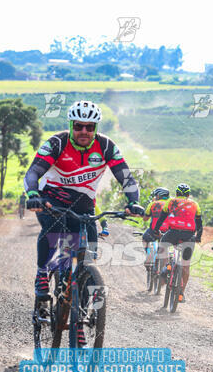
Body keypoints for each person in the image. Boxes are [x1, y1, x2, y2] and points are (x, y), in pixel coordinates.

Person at [24, 100, 144, 312]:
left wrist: (133, 201)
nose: (84, 131)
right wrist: (33, 194)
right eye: (78, 126)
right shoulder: (57, 143)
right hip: (52, 200)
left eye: (90, 127)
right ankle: (42, 273)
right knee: (53, 231)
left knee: (89, 255)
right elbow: (33, 172)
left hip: (84, 206)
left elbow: (126, 178)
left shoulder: (106, 146)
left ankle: (82, 318)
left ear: (95, 128)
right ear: (71, 125)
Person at [152, 183, 202, 300]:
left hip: (173, 232)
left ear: (176, 194)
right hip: (189, 236)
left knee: (162, 247)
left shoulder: (170, 202)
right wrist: (198, 237)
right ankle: (181, 293)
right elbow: (199, 224)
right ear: (188, 195)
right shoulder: (195, 204)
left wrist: (156, 230)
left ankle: (165, 268)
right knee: (186, 265)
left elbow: (162, 218)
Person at [141, 187, 170, 268]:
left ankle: (149, 255)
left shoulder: (153, 204)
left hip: (154, 231)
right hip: (168, 231)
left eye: (156, 195)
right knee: (165, 246)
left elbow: (145, 219)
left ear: (159, 195)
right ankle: (165, 268)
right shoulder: (172, 204)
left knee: (144, 239)